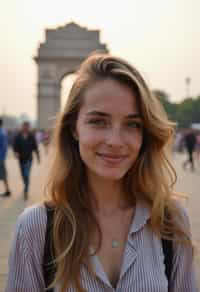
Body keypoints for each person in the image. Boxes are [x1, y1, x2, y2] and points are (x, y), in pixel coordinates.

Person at [6, 53, 198, 291]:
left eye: (132, 124)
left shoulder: (172, 220)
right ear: (73, 127)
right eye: (98, 121)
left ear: (145, 133)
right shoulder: (35, 227)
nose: (115, 141)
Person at [13, 121, 40, 200]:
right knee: (23, 175)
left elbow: (35, 147)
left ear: (28, 127)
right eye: (24, 126)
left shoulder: (31, 136)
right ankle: (25, 185)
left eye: (27, 126)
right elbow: (14, 146)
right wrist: (16, 152)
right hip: (21, 159)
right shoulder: (18, 136)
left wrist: (38, 157)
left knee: (26, 174)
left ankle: (26, 190)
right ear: (22, 127)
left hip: (29, 159)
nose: (25, 128)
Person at [0, 118, 11, 197]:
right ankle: (7, 190)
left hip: (0, 158)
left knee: (3, 174)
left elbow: (4, 147)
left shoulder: (2, 133)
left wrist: (1, 158)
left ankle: (8, 190)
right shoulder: (2, 132)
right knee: (3, 175)